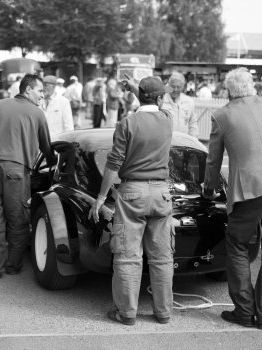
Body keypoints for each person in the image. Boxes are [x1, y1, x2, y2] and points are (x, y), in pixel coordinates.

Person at [202, 68, 262, 330]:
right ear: (252, 86)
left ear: (228, 91)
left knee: (236, 245)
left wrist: (209, 190)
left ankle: (244, 311)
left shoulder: (221, 115)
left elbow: (213, 160)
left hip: (249, 189)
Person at [88, 77, 173, 326]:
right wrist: (137, 89)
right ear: (158, 98)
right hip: (161, 193)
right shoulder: (168, 120)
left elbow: (113, 164)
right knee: (162, 256)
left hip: (132, 192)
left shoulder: (127, 123)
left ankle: (126, 313)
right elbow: (157, 103)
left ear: (142, 97)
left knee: (127, 256)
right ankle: (163, 312)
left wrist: (101, 198)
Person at [0, 74, 56, 281]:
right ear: (28, 89)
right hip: (17, 171)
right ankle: (12, 266)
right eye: (39, 91)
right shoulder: (37, 113)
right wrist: (53, 161)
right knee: (18, 220)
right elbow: (46, 147)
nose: (42, 95)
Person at [162, 72, 198, 138]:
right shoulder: (161, 101)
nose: (175, 89)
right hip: (166, 143)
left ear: (183, 87)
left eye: (178, 87)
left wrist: (194, 141)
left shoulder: (189, 101)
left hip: (184, 142)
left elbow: (193, 124)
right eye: (173, 86)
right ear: (168, 86)